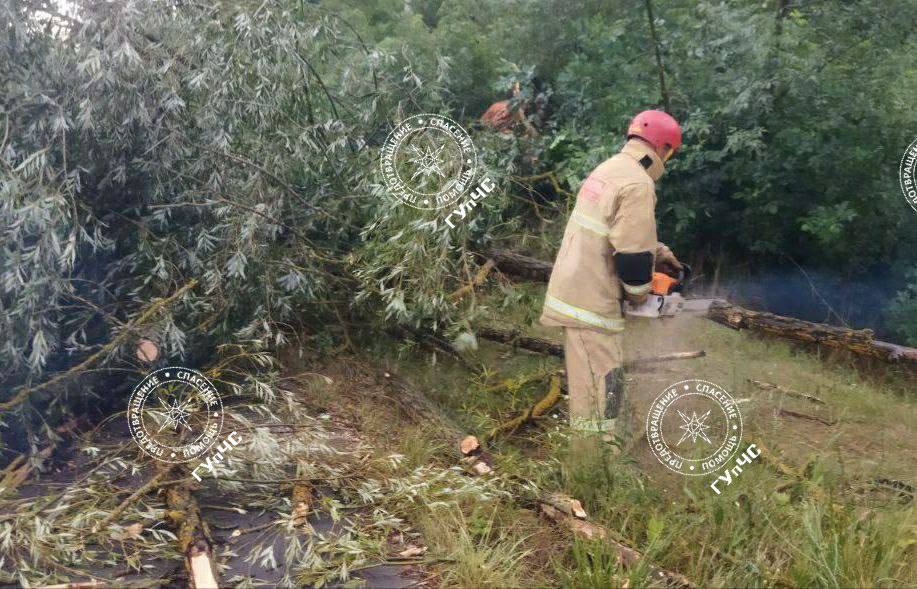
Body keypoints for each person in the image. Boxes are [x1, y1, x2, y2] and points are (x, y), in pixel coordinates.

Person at [539, 110, 684, 446]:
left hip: (578, 292)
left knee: (598, 389)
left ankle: (593, 454)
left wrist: (658, 252)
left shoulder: (610, 169)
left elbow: (609, 230)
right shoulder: (639, 183)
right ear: (664, 149)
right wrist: (642, 296)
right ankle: (594, 461)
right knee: (603, 394)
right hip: (594, 304)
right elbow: (632, 259)